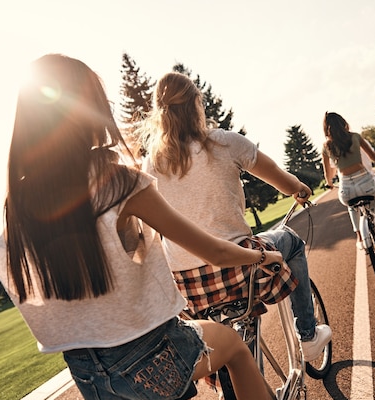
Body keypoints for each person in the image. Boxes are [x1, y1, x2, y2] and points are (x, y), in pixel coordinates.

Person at [0, 54, 274, 400]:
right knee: (234, 346)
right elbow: (215, 252)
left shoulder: (20, 202)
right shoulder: (118, 182)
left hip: (92, 379)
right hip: (153, 359)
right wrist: (264, 256)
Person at [139, 72, 331, 363]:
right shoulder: (224, 142)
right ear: (196, 105)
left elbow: (148, 234)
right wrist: (300, 189)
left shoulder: (151, 163)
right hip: (241, 267)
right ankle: (308, 335)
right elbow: (281, 179)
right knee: (290, 241)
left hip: (189, 286)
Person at [321, 111, 375, 250]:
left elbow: (328, 171)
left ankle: (359, 238)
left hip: (346, 188)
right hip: (365, 181)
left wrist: (329, 183)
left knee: (352, 207)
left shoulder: (326, 146)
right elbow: (372, 155)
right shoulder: (355, 137)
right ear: (343, 123)